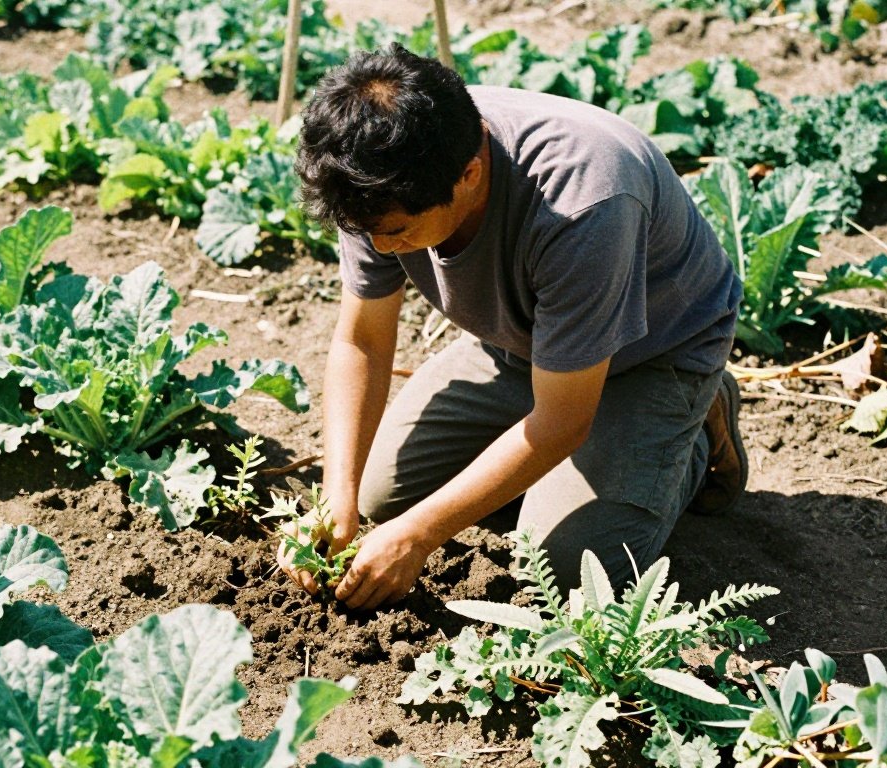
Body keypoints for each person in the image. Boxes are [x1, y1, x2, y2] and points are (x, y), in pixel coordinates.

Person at [276, 44, 749, 611]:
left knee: (566, 576)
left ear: (470, 174)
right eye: (366, 231)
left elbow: (562, 420)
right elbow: (362, 339)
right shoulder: (372, 171)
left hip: (652, 350)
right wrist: (337, 500)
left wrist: (420, 535)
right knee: (378, 501)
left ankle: (694, 423)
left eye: (396, 232)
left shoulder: (581, 202)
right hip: (521, 342)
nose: (379, 248)